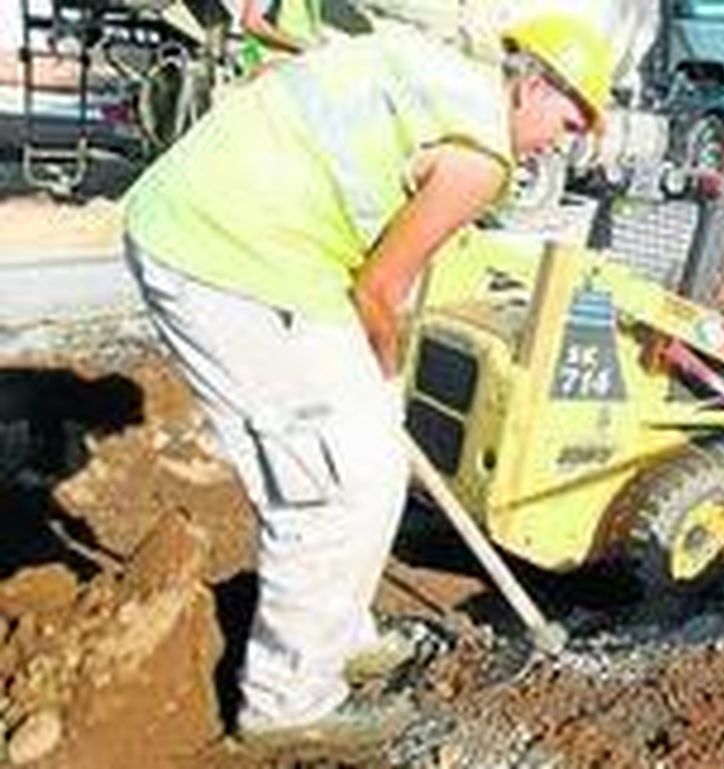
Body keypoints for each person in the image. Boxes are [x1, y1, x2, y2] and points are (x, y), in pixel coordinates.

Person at [121, 12, 612, 745]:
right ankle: (290, 706)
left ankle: (339, 631)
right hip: (238, 261)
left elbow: (286, 81)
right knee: (334, 489)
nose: (563, 143)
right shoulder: (483, 159)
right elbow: (379, 291)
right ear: (532, 84)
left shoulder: (432, 67)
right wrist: (384, 369)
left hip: (197, 228)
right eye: (568, 121)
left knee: (356, 463)